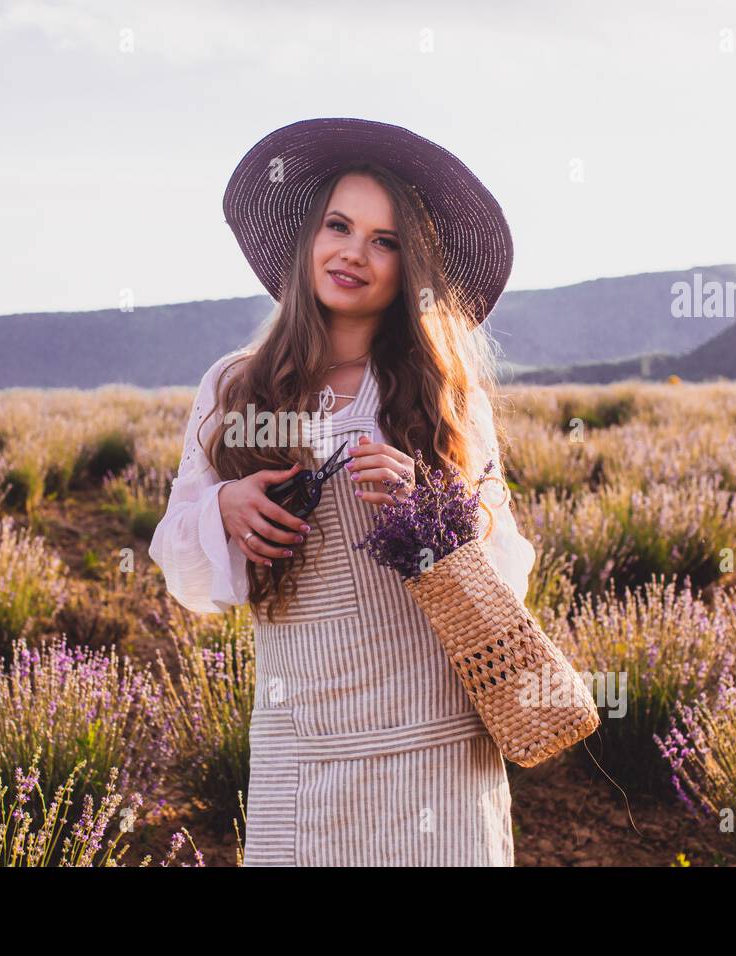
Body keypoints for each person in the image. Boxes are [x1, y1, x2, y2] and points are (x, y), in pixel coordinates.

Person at [149, 118, 537, 866]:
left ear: (409, 267)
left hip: (439, 747)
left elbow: (507, 570)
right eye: (340, 225)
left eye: (385, 240)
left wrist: (430, 510)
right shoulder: (236, 387)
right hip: (305, 750)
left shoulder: (447, 400)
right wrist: (220, 511)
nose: (354, 253)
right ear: (309, 239)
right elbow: (180, 566)